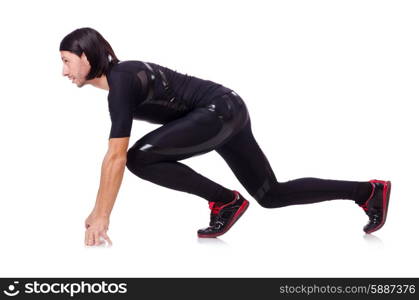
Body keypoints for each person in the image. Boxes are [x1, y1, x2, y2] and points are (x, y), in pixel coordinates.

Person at [59, 27, 391, 247]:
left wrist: (102, 213)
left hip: (218, 111)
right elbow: (113, 158)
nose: (64, 71)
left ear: (86, 57)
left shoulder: (122, 81)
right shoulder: (122, 80)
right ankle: (368, 192)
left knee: (139, 157)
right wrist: (99, 209)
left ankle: (225, 200)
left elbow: (116, 157)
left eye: (66, 61)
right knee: (271, 194)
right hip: (226, 110)